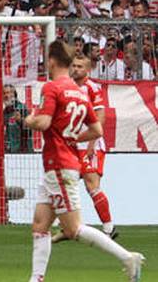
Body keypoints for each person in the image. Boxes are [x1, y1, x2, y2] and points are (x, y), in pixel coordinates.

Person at [24, 40, 143, 282]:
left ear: (53, 61)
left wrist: (30, 120)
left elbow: (44, 123)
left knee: (73, 228)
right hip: (60, 163)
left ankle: (128, 257)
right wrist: (73, 136)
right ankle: (36, 279)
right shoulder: (79, 92)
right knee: (40, 225)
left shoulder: (52, 87)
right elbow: (97, 129)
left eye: (47, 59)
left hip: (59, 164)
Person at [52, 52, 116, 244]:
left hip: (90, 145)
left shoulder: (92, 88)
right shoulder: (68, 87)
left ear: (88, 69)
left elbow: (100, 117)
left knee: (91, 185)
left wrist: (91, 144)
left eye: (80, 67)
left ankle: (108, 228)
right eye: (74, 66)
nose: (76, 69)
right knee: (64, 183)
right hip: (72, 144)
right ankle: (67, 227)